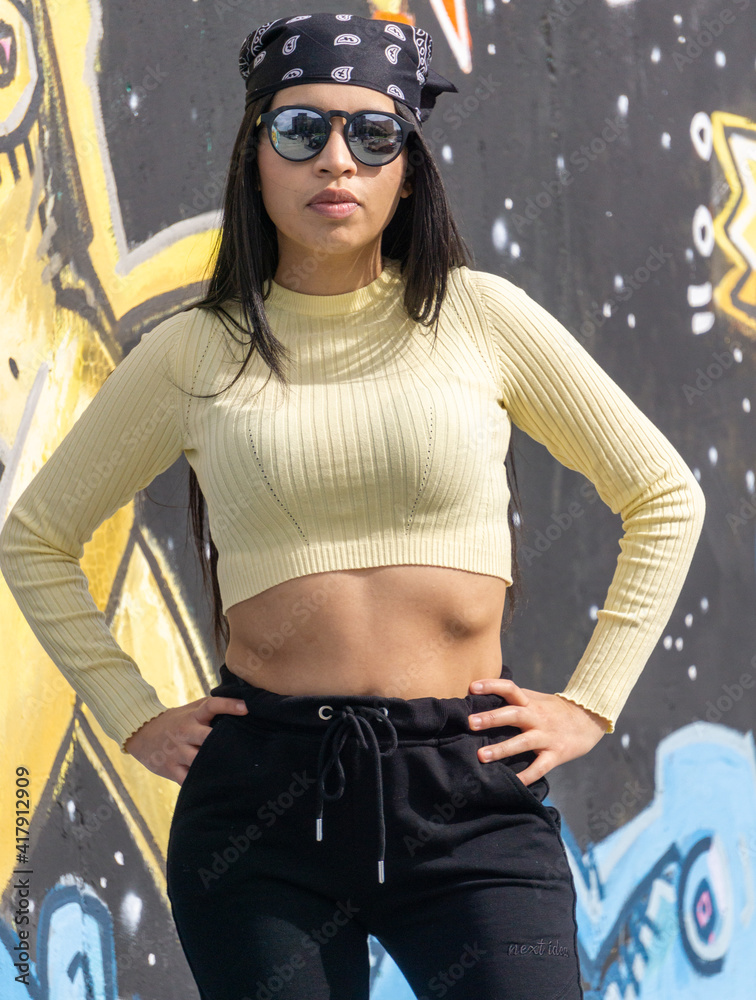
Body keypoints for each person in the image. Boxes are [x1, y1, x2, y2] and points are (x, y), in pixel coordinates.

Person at [0, 12, 706, 1000]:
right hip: (264, 802)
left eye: (373, 135)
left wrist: (591, 700)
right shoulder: (193, 353)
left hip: (467, 797)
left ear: (407, 169)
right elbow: (35, 539)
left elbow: (665, 495)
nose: (337, 159)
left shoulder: (479, 317)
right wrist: (131, 712)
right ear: (256, 156)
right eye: (301, 130)